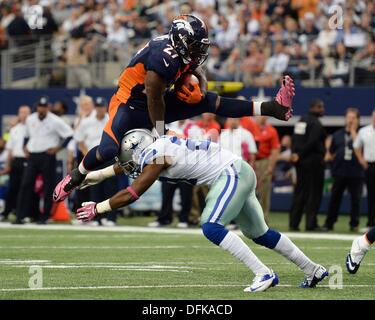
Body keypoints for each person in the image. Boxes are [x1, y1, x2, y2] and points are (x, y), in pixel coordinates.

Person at [53, 14, 295, 203]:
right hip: (130, 102)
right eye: (194, 45)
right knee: (108, 150)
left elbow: (190, 65)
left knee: (207, 100)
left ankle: (273, 108)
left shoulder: (179, 51)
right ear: (180, 41)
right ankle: (76, 176)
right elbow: (154, 100)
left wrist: (198, 76)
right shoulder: (161, 60)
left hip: (154, 100)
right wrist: (160, 134)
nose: (198, 51)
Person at [75, 129, 328, 292]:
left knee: (211, 226)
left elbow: (134, 192)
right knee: (259, 233)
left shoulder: (156, 156)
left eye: (130, 159)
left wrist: (98, 208)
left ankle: (264, 273)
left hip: (230, 174)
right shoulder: (158, 145)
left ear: (139, 150)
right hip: (239, 171)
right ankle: (313, 269)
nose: (129, 166)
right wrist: (98, 174)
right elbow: (129, 167)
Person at [15, 96, 73, 224]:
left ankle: (45, 216)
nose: (42, 108)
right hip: (33, 155)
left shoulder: (55, 120)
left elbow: (69, 134)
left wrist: (58, 148)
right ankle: (21, 215)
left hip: (47, 155)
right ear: (37, 107)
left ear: (48, 107)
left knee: (48, 186)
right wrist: (24, 146)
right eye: (40, 106)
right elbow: (26, 135)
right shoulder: (30, 119)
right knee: (26, 184)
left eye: (44, 106)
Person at [74, 97, 120, 226]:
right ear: (95, 108)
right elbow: (79, 140)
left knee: (111, 188)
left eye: (102, 107)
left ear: (105, 107)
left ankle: (110, 218)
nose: (100, 109)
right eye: (98, 107)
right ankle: (96, 218)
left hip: (110, 157)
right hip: (94, 159)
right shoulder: (86, 122)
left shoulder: (112, 120)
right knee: (95, 188)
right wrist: (87, 155)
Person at [324, 108, 364, 232]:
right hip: (340, 171)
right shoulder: (337, 135)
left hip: (356, 172)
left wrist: (352, 131)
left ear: (358, 120)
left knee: (355, 200)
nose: (350, 120)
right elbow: (330, 153)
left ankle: (354, 223)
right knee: (335, 198)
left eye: (353, 118)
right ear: (345, 118)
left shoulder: (362, 134)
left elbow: (362, 147)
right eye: (349, 117)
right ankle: (329, 223)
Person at [289, 99, 326, 231]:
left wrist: (295, 153)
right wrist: (300, 154)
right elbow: (312, 142)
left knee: (300, 192)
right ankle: (311, 224)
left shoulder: (301, 120)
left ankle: (294, 222)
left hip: (300, 162)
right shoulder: (316, 123)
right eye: (320, 107)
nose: (323, 110)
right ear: (314, 108)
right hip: (313, 162)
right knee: (314, 193)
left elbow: (294, 139)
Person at [0, 105, 31, 221]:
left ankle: (24, 213)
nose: (24, 115)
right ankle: (6, 212)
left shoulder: (33, 127)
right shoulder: (14, 129)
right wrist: (8, 164)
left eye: (26, 112)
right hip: (16, 161)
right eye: (21, 112)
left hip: (28, 161)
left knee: (26, 188)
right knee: (12, 187)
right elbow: (10, 149)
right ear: (18, 114)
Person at [353, 109, 375, 228]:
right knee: (371, 194)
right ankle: (371, 222)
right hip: (370, 166)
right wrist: (361, 159)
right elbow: (356, 146)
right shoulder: (364, 131)